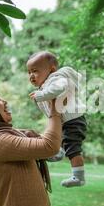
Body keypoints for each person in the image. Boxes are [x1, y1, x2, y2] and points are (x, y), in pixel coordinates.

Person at [27, 51, 87, 188]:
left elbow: (60, 87)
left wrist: (41, 95)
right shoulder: (46, 85)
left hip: (73, 121)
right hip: (65, 120)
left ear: (51, 69)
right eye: (29, 72)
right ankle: (57, 152)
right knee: (56, 137)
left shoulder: (56, 78)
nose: (31, 76)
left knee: (73, 147)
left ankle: (79, 177)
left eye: (35, 71)